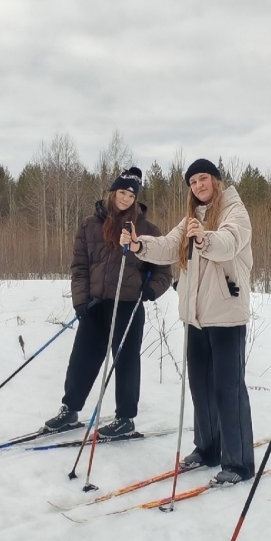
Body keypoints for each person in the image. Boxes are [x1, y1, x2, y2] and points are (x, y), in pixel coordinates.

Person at [124, 159, 255, 484]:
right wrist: (140, 245)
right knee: (201, 385)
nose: (198, 186)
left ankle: (238, 462)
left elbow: (229, 243)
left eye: (203, 178)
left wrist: (205, 238)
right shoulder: (191, 218)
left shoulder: (234, 211)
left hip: (226, 313)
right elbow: (169, 246)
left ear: (215, 180)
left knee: (228, 388)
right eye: (193, 182)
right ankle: (208, 448)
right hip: (194, 315)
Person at [44, 168, 172, 437]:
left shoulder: (147, 229)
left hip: (128, 305)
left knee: (126, 362)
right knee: (82, 358)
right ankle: (70, 409)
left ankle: (125, 417)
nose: (126, 199)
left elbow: (163, 270)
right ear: (112, 192)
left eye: (131, 195)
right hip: (95, 303)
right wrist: (80, 301)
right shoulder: (89, 225)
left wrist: (149, 291)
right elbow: (79, 267)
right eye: (122, 192)